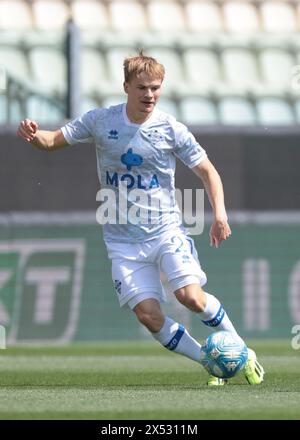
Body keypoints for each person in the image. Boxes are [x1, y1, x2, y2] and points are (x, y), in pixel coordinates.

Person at [17, 51, 264, 386]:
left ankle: (244, 353)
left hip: (165, 230)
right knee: (148, 315)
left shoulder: (170, 129)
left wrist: (220, 214)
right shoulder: (101, 121)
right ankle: (210, 361)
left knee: (190, 297)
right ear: (126, 87)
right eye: (142, 87)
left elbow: (208, 172)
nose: (150, 94)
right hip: (121, 240)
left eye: (156, 88)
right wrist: (35, 135)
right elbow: (51, 141)